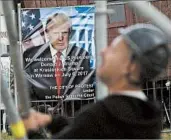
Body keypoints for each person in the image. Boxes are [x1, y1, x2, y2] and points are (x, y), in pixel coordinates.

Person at [23, 24, 170, 139]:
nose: (102, 52)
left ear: (129, 66)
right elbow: (87, 133)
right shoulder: (150, 114)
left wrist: (30, 131)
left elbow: (89, 127)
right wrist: (52, 121)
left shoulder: (100, 115)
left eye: (112, 49)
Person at [23, 13, 95, 101]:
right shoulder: (31, 55)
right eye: (56, 33)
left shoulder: (82, 55)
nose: (60, 38)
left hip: (73, 112)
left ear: (70, 33)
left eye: (64, 33)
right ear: (47, 33)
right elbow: (27, 91)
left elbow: (85, 90)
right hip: (41, 111)